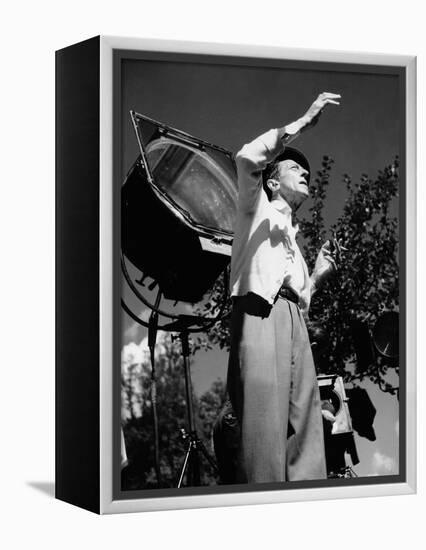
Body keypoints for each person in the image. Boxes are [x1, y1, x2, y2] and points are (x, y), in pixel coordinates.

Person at [226, 92, 341, 483]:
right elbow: (245, 158)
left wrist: (320, 272)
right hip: (260, 313)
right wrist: (300, 124)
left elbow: (301, 295)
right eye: (296, 167)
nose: (305, 173)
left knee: (307, 430)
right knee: (263, 431)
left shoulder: (293, 237)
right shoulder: (253, 207)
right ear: (273, 181)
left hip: (294, 322)